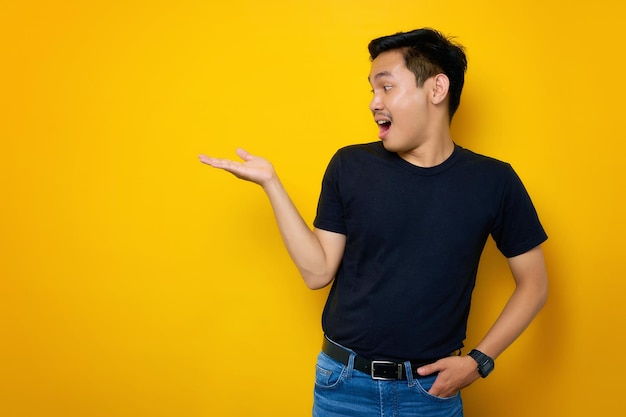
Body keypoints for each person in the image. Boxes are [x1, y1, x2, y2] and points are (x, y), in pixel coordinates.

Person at [199, 28, 548, 417]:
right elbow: (317, 272)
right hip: (342, 386)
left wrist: (479, 361)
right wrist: (271, 183)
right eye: (371, 91)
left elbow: (534, 283)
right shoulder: (350, 165)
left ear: (436, 90)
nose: (373, 103)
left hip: (431, 393)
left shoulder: (494, 181)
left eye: (385, 87)